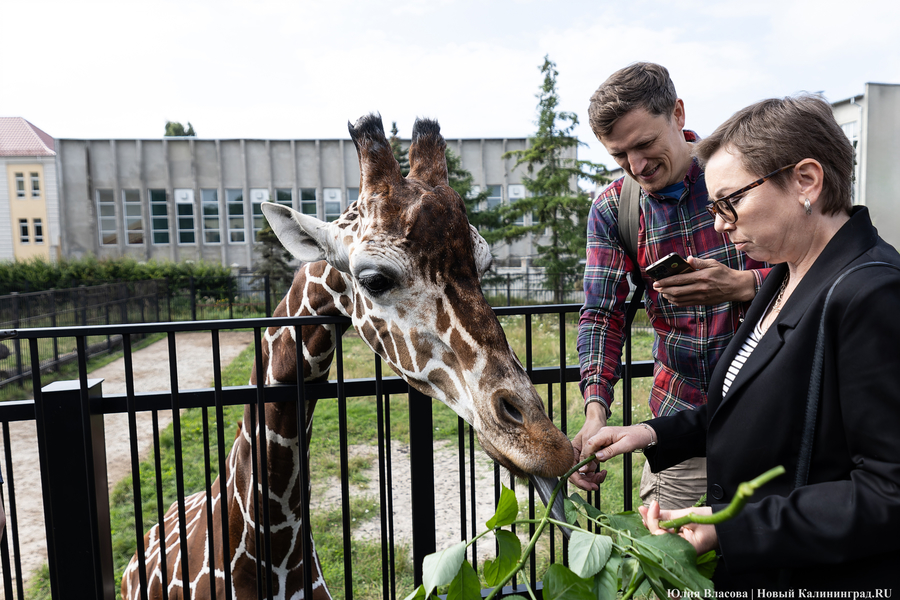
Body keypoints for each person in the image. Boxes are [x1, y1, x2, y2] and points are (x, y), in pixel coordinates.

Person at [583, 94, 900, 590]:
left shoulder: (872, 294)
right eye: (713, 206)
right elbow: (743, 409)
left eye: (731, 201)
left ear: (806, 181)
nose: (718, 223)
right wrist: (648, 434)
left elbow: (887, 492)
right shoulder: (781, 277)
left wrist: (731, 526)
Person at [571, 62, 768, 508]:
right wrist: (595, 410)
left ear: (677, 114)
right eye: (620, 156)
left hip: (771, 416)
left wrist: (742, 285)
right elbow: (602, 317)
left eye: (644, 144)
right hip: (678, 426)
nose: (636, 166)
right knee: (674, 569)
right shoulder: (612, 209)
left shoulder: (746, 175)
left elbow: (813, 267)